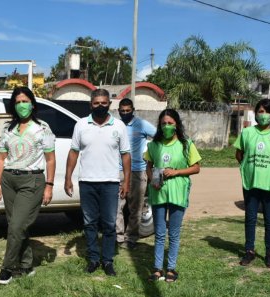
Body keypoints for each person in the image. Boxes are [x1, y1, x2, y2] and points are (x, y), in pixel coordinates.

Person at [65, 88, 131, 276]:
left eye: (104, 103)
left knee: (109, 224)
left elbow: (126, 155)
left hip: (110, 183)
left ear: (109, 104)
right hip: (87, 182)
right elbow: (73, 152)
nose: (100, 106)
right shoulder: (81, 125)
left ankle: (108, 260)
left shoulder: (118, 126)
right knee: (89, 223)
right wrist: (68, 178)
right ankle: (94, 259)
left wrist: (126, 181)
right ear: (90, 105)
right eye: (96, 103)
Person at [0, 87, 56, 285]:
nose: (22, 105)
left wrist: (49, 185)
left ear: (32, 103)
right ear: (13, 105)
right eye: (18, 101)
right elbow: (2, 158)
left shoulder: (42, 128)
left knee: (17, 226)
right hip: (9, 180)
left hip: (32, 180)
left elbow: (51, 159)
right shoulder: (7, 128)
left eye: (25, 101)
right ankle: (26, 264)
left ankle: (7, 268)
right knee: (16, 226)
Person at [145, 109, 201, 283]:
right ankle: (157, 268)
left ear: (176, 124)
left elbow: (196, 167)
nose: (166, 126)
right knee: (160, 232)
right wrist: (151, 179)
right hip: (158, 192)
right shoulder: (153, 145)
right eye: (163, 124)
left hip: (178, 193)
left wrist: (177, 172)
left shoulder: (186, 144)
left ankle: (171, 269)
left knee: (174, 233)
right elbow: (148, 165)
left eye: (170, 123)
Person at [234, 99, 270, 268]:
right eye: (260, 111)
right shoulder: (247, 133)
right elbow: (239, 155)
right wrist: (250, 168)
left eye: (266, 111)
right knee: (250, 218)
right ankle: (249, 251)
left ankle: (269, 254)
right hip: (251, 183)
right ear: (256, 114)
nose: (263, 115)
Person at [116, 98, 156, 249]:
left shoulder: (142, 124)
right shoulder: (117, 125)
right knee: (117, 206)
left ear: (133, 110)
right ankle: (118, 237)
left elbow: (158, 137)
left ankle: (130, 238)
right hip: (119, 171)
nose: (125, 113)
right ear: (118, 111)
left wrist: (150, 157)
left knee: (135, 208)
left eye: (128, 111)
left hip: (138, 171)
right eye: (122, 111)